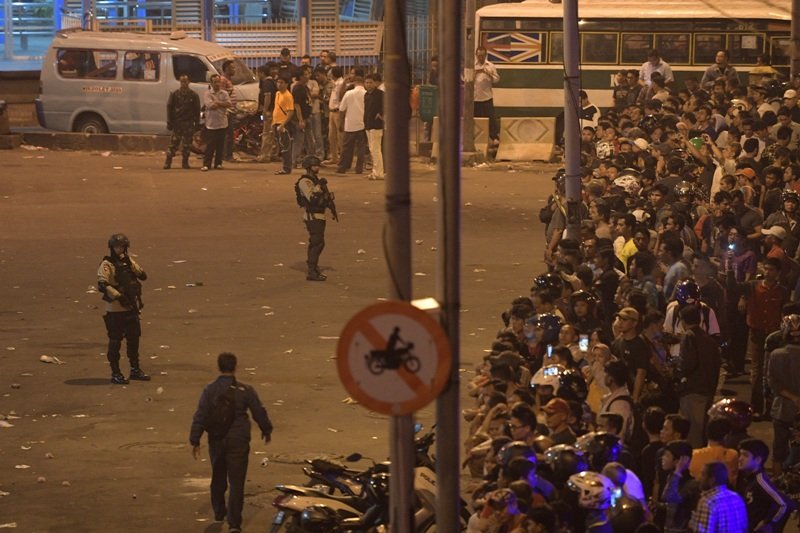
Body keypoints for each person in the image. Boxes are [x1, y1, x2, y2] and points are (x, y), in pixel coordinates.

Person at [189, 352, 273, 533]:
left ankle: (219, 512)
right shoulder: (245, 390)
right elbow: (259, 411)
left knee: (218, 476)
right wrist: (266, 430)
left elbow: (201, 415)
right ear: (235, 367)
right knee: (236, 482)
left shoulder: (209, 390)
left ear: (218, 367)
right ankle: (234, 523)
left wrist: (195, 440)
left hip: (217, 439)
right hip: (239, 440)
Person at [96, 233, 150, 385]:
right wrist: (119, 296)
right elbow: (102, 284)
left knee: (134, 340)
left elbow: (142, 275)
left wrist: (132, 265)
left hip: (131, 307)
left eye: (122, 247)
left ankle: (135, 369)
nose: (119, 249)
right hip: (115, 309)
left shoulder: (127, 261)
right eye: (116, 247)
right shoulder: (107, 264)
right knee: (115, 341)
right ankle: (115, 372)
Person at [677, 305, 721, 448]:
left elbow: (687, 364)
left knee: (693, 434)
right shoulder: (709, 339)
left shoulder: (688, 336)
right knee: (702, 431)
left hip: (693, 390)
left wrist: (677, 374)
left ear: (683, 321)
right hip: (707, 390)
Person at [295, 155, 337, 281]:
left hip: (319, 215)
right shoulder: (305, 181)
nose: (317, 168)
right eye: (314, 166)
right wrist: (321, 192)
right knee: (316, 242)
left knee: (319, 243)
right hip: (312, 216)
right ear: (308, 167)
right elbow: (312, 198)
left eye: (317, 165)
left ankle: (313, 267)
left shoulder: (315, 180)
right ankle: (312, 270)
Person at [736, 438, 792, 532]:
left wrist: (767, 523)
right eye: (740, 454)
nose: (740, 459)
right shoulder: (748, 479)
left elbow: (783, 504)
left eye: (745, 455)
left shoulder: (760, 481)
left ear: (758, 460)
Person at [768, 314, 800, 476]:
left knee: (778, 452)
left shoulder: (776, 355)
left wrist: (791, 397)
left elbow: (772, 383)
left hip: (781, 409)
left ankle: (778, 485)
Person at [658, 440, 700, 533]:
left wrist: (678, 472)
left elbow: (671, 497)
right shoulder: (671, 477)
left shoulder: (692, 485)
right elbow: (665, 498)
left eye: (667, 455)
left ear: (679, 460)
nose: (663, 458)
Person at [164, 73, 200, 170]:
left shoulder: (194, 95)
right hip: (178, 123)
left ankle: (185, 162)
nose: (184, 83)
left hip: (188, 123)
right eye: (182, 81)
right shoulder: (175, 94)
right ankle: (168, 161)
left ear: (189, 82)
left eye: (185, 81)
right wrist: (169, 121)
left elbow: (197, 110)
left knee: (187, 145)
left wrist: (197, 122)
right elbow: (169, 108)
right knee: (174, 144)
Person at [201, 74, 233, 172]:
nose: (217, 84)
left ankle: (218, 163)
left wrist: (218, 103)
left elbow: (228, 104)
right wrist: (221, 104)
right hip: (211, 124)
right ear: (211, 83)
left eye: (218, 82)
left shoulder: (224, 93)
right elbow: (210, 105)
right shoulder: (207, 93)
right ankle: (207, 164)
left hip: (222, 123)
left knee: (220, 145)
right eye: (215, 82)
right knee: (210, 145)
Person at [337, 76, 367, 175]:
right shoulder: (366, 94)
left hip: (350, 124)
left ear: (354, 83)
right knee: (361, 148)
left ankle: (342, 168)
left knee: (346, 148)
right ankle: (359, 169)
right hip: (363, 124)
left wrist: (340, 123)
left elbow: (341, 109)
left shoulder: (348, 94)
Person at [474, 46, 501, 145]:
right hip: (475, 98)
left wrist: (488, 73)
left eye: (482, 56)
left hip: (487, 97)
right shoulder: (472, 66)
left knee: (491, 118)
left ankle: (494, 138)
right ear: (476, 55)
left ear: (485, 55)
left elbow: (496, 79)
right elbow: (465, 79)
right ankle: (476, 139)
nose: (480, 58)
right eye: (479, 55)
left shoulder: (490, 66)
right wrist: (475, 73)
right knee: (476, 119)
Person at [272, 76, 295, 175]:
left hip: (283, 124)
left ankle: (287, 168)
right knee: (281, 146)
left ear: (286, 84)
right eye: (278, 82)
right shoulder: (277, 94)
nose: (279, 84)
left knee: (285, 146)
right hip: (276, 122)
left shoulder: (288, 96)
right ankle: (285, 166)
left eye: (282, 82)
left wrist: (283, 124)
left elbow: (290, 111)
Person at [364, 73, 384, 181]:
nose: (368, 84)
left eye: (370, 82)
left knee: (376, 149)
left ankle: (379, 172)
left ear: (375, 83)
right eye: (366, 82)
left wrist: (381, 114)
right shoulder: (366, 95)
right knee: (372, 149)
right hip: (368, 124)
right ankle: (375, 171)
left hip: (376, 125)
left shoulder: (380, 94)